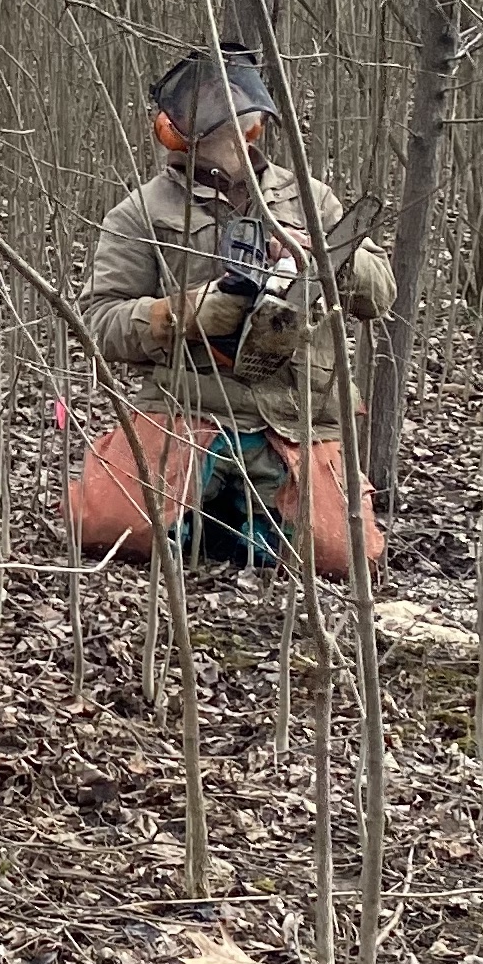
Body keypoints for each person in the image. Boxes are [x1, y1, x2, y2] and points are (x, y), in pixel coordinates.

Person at [68, 41, 395, 579]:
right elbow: (99, 323)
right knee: (113, 528)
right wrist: (187, 313)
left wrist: (320, 256)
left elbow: (379, 294)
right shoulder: (141, 213)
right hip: (188, 408)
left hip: (296, 417)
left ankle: (248, 519)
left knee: (340, 555)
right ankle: (204, 512)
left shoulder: (310, 198)